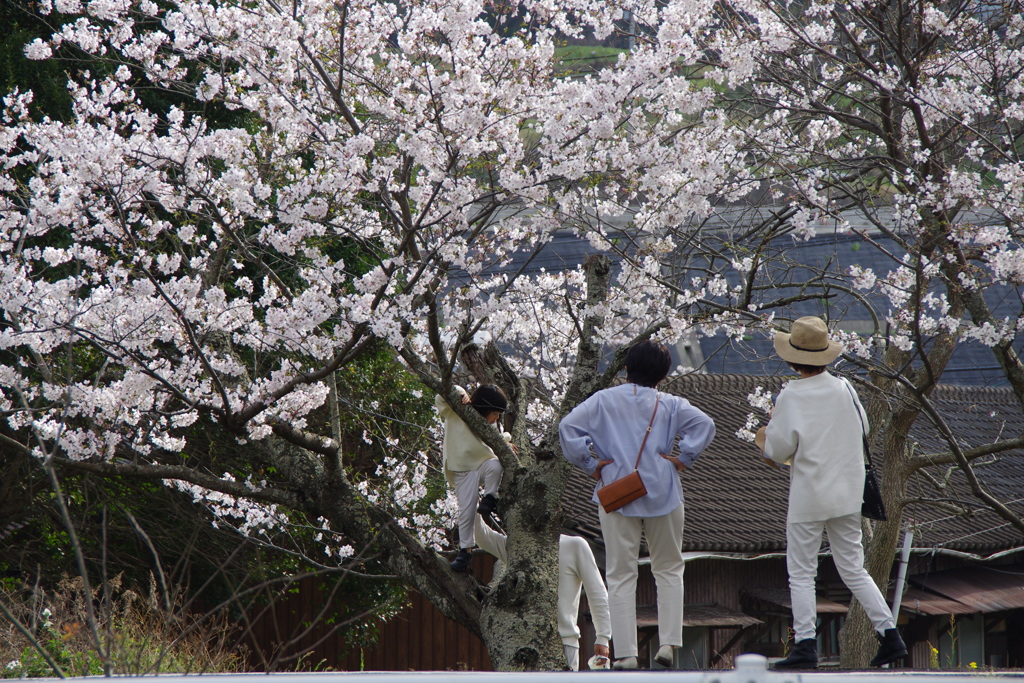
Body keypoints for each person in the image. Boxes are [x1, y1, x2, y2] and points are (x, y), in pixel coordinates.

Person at [754, 316, 908, 669]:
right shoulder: (844, 388)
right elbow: (864, 429)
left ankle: (805, 646)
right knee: (854, 568)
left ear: (792, 358)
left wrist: (772, 427)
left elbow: (777, 450)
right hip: (847, 492)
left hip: (810, 495)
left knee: (802, 572)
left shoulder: (791, 394)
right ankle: (890, 635)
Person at [559, 340, 716, 670]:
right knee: (669, 568)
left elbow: (567, 427)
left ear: (626, 368)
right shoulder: (670, 403)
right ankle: (669, 646)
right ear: (663, 374)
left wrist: (591, 463)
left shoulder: (603, 400)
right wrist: (684, 457)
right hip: (663, 489)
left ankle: (626, 655)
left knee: (619, 573)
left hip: (617, 489)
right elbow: (705, 424)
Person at [473, 516, 612, 670]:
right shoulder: (518, 547)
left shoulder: (574, 545)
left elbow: (597, 593)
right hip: (522, 645)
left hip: (563, 641)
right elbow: (481, 535)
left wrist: (603, 637)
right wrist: (472, 497)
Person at [436, 384, 510, 572]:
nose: (497, 418)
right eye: (495, 412)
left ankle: (490, 497)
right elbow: (441, 396)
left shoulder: (487, 424)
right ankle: (465, 551)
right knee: (467, 510)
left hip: (481, 463)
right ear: (485, 408)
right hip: (462, 470)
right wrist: (461, 394)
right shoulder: (458, 409)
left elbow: (498, 438)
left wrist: (508, 442)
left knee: (495, 465)